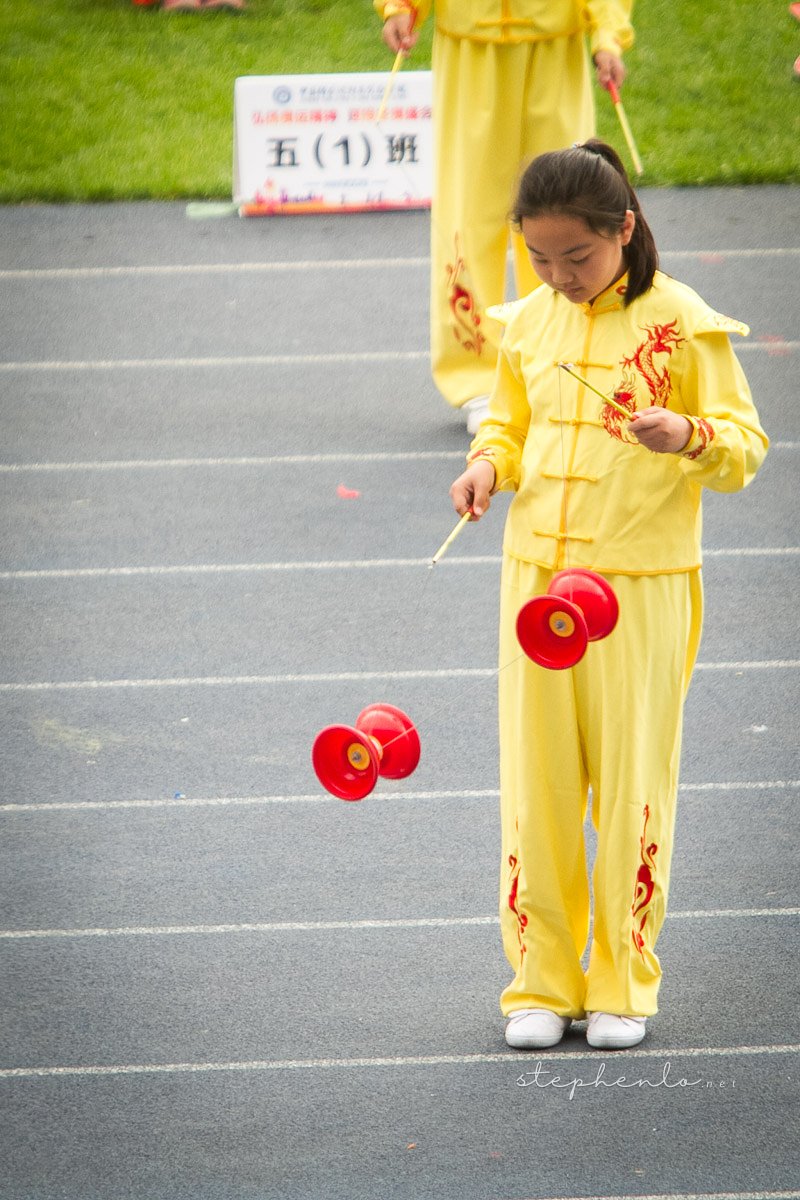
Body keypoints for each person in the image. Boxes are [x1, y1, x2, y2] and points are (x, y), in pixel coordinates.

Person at [448, 140, 768, 1050]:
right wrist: (484, 465)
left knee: (630, 785)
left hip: (636, 589)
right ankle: (540, 978)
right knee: (537, 783)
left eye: (577, 258)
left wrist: (689, 432)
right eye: (540, 259)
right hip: (537, 584)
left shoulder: (682, 322)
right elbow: (510, 422)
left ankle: (622, 976)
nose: (560, 276)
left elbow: (744, 449)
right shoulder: (532, 322)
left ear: (624, 229)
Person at [375, 1, 634, 432]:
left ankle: (568, 361)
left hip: (555, 42)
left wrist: (608, 34)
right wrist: (398, 6)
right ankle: (479, 378)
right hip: (470, 47)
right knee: (468, 215)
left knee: (568, 207)